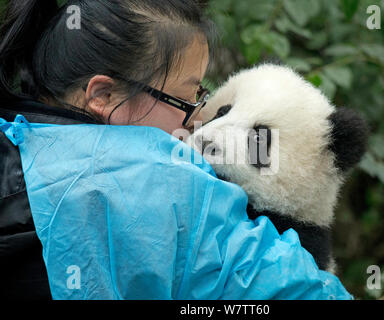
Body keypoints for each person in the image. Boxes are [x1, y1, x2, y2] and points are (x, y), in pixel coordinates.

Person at [0, 0, 352, 300]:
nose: (201, 119)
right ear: (104, 96)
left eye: (202, 98)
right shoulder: (159, 179)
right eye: (185, 98)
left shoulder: (15, 141)